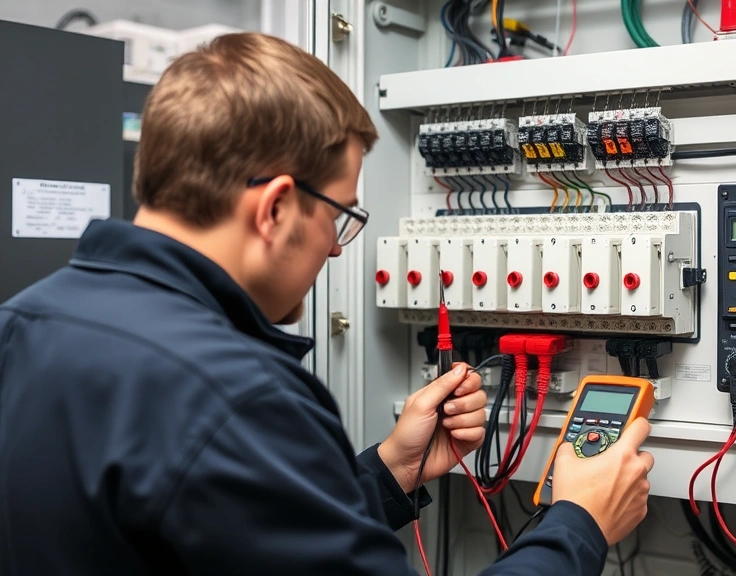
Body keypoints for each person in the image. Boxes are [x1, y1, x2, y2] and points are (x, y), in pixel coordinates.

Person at [0, 32, 654, 575]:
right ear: (277, 206)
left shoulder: (21, 324)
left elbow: (234, 536)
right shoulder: (236, 396)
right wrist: (580, 522)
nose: (338, 252)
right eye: (340, 216)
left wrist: (390, 471)